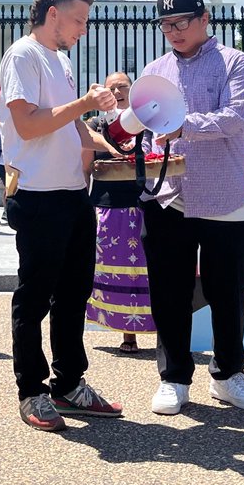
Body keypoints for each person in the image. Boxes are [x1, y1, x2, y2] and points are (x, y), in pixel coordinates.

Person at [0, 0, 122, 432]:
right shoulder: (23, 55)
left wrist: (107, 144)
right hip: (36, 193)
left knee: (73, 295)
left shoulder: (61, 60)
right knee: (33, 298)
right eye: (78, 20)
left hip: (72, 192)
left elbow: (70, 127)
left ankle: (69, 382)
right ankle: (31, 390)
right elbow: (29, 125)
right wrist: (84, 103)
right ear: (53, 14)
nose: (82, 29)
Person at [141, 0, 244, 416]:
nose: (172, 31)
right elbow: (147, 125)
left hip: (224, 191)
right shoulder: (156, 69)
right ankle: (174, 377)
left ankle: (230, 374)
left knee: (229, 290)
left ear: (204, 19)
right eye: (165, 25)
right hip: (169, 195)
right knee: (169, 290)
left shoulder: (235, 62)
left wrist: (182, 125)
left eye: (180, 22)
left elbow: (235, 118)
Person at [84, 71, 155, 354]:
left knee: (143, 271)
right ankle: (125, 333)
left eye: (122, 86)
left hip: (140, 205)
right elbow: (84, 168)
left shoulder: (147, 123)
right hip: (104, 205)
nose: (117, 92)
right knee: (106, 271)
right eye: (110, 88)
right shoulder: (94, 124)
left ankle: (149, 329)